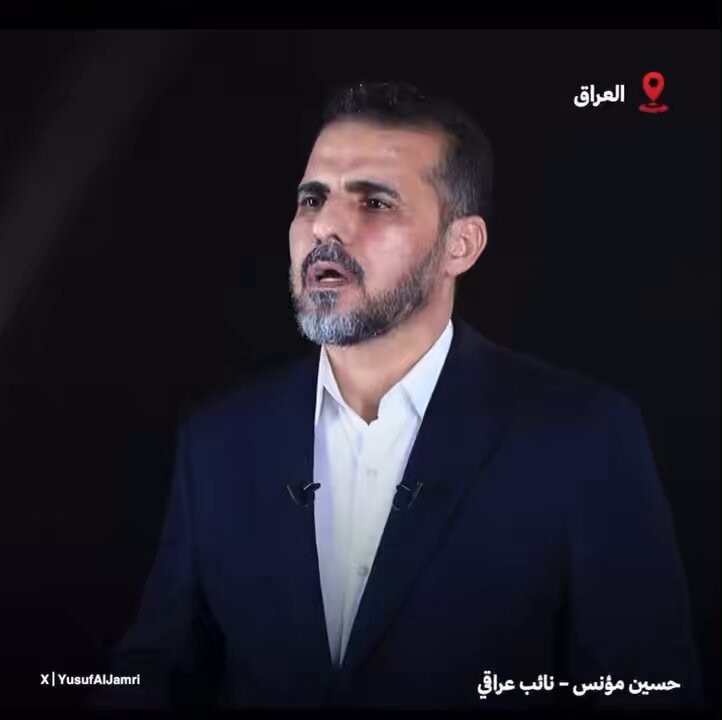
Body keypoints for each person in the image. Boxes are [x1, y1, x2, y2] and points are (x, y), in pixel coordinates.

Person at [91, 81, 701, 710]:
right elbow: (158, 670)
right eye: (312, 198)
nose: (326, 226)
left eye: (375, 202)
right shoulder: (219, 440)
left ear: (460, 246)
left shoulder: (582, 435)